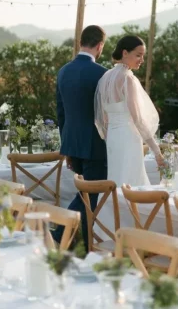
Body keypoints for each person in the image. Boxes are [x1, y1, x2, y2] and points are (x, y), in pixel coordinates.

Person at [53, 25, 107, 248]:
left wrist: (66, 147)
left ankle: (72, 238)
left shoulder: (63, 71)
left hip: (73, 142)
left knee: (86, 194)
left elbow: (60, 112)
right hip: (95, 144)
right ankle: (61, 236)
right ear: (100, 46)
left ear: (81, 42)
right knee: (91, 196)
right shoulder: (102, 74)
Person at [95, 35, 164, 187]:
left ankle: (117, 208)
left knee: (117, 179)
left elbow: (103, 119)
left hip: (113, 138)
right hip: (128, 137)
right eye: (138, 55)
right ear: (125, 53)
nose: (142, 60)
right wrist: (156, 150)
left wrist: (110, 138)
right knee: (132, 181)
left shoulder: (104, 78)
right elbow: (138, 119)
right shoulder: (128, 79)